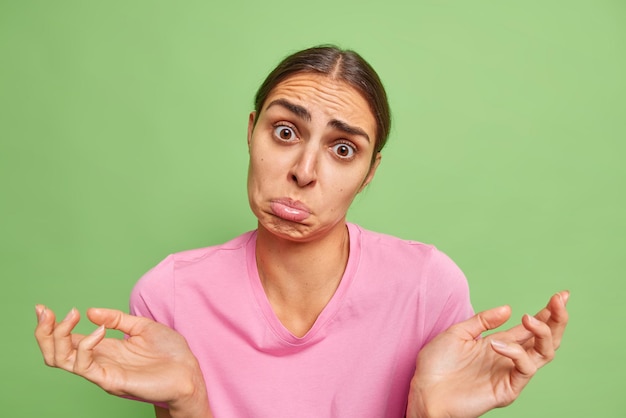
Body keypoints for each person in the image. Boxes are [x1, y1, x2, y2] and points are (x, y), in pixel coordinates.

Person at [34, 45, 569, 418]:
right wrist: (189, 400)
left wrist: (428, 412)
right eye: (285, 131)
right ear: (251, 132)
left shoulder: (428, 286)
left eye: (343, 149)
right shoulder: (168, 293)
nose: (304, 171)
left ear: (370, 172)